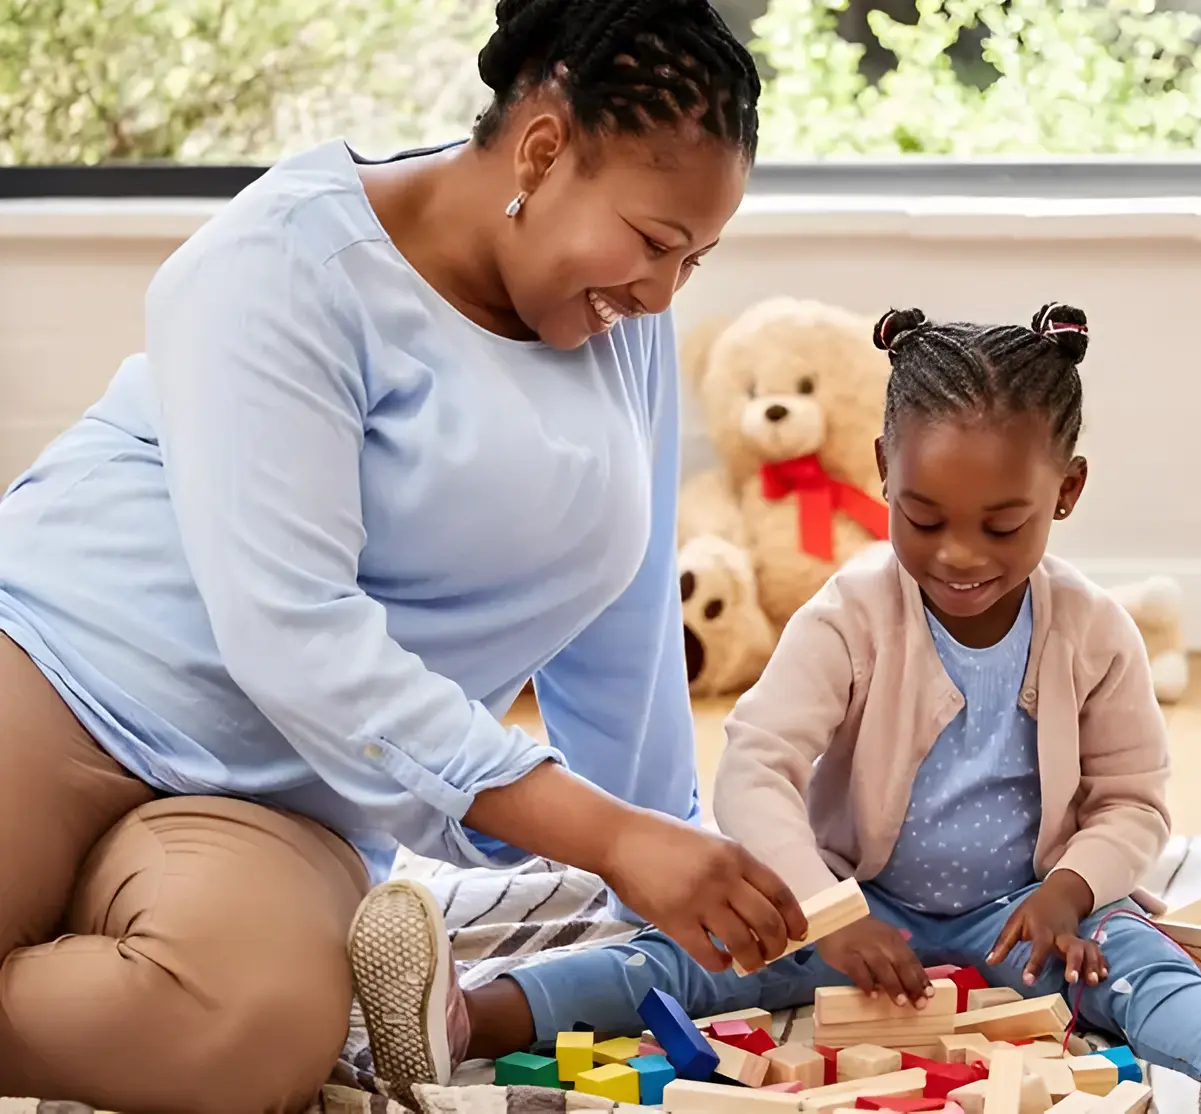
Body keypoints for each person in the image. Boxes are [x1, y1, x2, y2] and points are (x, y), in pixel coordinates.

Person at [0, 2, 810, 1110]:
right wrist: (608, 836)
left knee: (252, 1033)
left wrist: (669, 854)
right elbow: (296, 633)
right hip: (62, 678)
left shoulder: (625, 329)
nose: (664, 290)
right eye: (654, 242)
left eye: (695, 257)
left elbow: (620, 619)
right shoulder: (282, 259)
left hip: (286, 804)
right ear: (541, 149)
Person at [357, 304, 1201, 1112]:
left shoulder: (1093, 628)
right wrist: (830, 911)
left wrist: (1069, 890)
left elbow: (1135, 802)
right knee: (677, 954)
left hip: (1019, 912)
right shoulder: (851, 613)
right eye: (922, 519)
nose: (959, 557)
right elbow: (755, 769)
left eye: (1003, 525)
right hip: (847, 902)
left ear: (1065, 491)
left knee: (1134, 966)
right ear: (881, 472)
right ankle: (465, 1014)